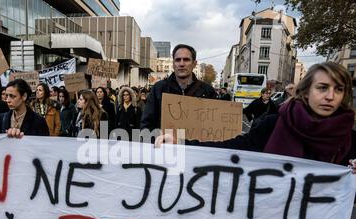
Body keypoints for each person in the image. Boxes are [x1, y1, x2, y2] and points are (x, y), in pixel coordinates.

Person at [156, 62, 356, 169]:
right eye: (322, 88)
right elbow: (230, 148)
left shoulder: (350, 138)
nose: (330, 96)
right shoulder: (274, 125)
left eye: (338, 89)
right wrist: (182, 144)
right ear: (306, 91)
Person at [141, 44, 218, 131]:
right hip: (165, 144)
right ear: (173, 64)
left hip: (195, 144)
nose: (181, 64)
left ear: (194, 64)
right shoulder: (158, 89)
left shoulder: (207, 91)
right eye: (178, 60)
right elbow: (146, 124)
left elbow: (214, 126)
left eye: (186, 60)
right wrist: (157, 141)